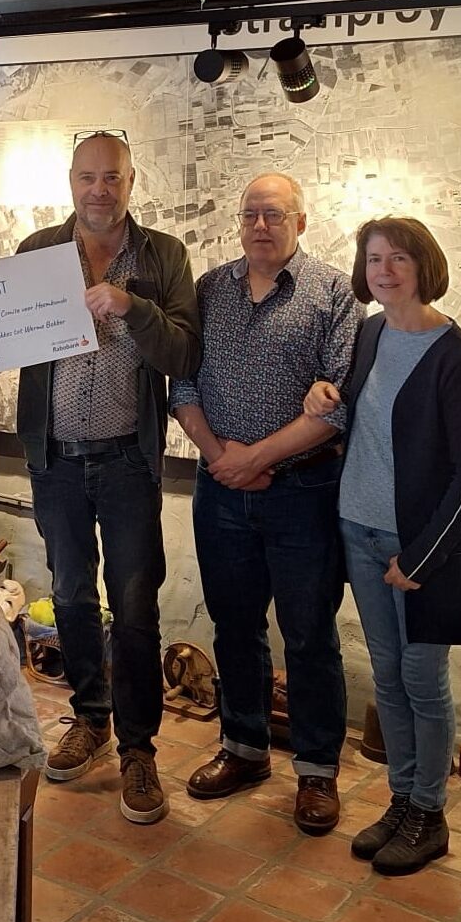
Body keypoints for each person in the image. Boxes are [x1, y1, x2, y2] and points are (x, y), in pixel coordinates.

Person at [0, 131, 200, 824]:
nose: (99, 190)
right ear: (72, 181)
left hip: (129, 460)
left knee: (136, 606)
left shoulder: (163, 255)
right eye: (87, 176)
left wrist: (131, 307)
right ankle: (90, 717)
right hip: (54, 459)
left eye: (112, 177)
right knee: (73, 597)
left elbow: (182, 353)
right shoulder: (39, 253)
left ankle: (139, 748)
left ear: (132, 182)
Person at [305, 217, 461, 874]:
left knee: (422, 681)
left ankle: (429, 813)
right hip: (357, 531)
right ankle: (401, 801)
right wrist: (324, 394)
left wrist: (418, 558)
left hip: (419, 551)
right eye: (374, 259)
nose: (384, 272)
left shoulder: (460, 360)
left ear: (424, 267)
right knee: (387, 676)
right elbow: (356, 412)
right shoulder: (370, 333)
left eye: (398, 259)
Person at [170, 172, 359, 834]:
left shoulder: (333, 292)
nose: (259, 225)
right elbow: (182, 386)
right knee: (234, 626)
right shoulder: (208, 290)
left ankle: (317, 771)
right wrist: (221, 457)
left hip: (303, 491)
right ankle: (244, 749)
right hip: (220, 489)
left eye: (274, 214)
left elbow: (337, 407)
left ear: (300, 223)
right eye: (250, 213)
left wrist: (256, 459)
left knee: (309, 635)